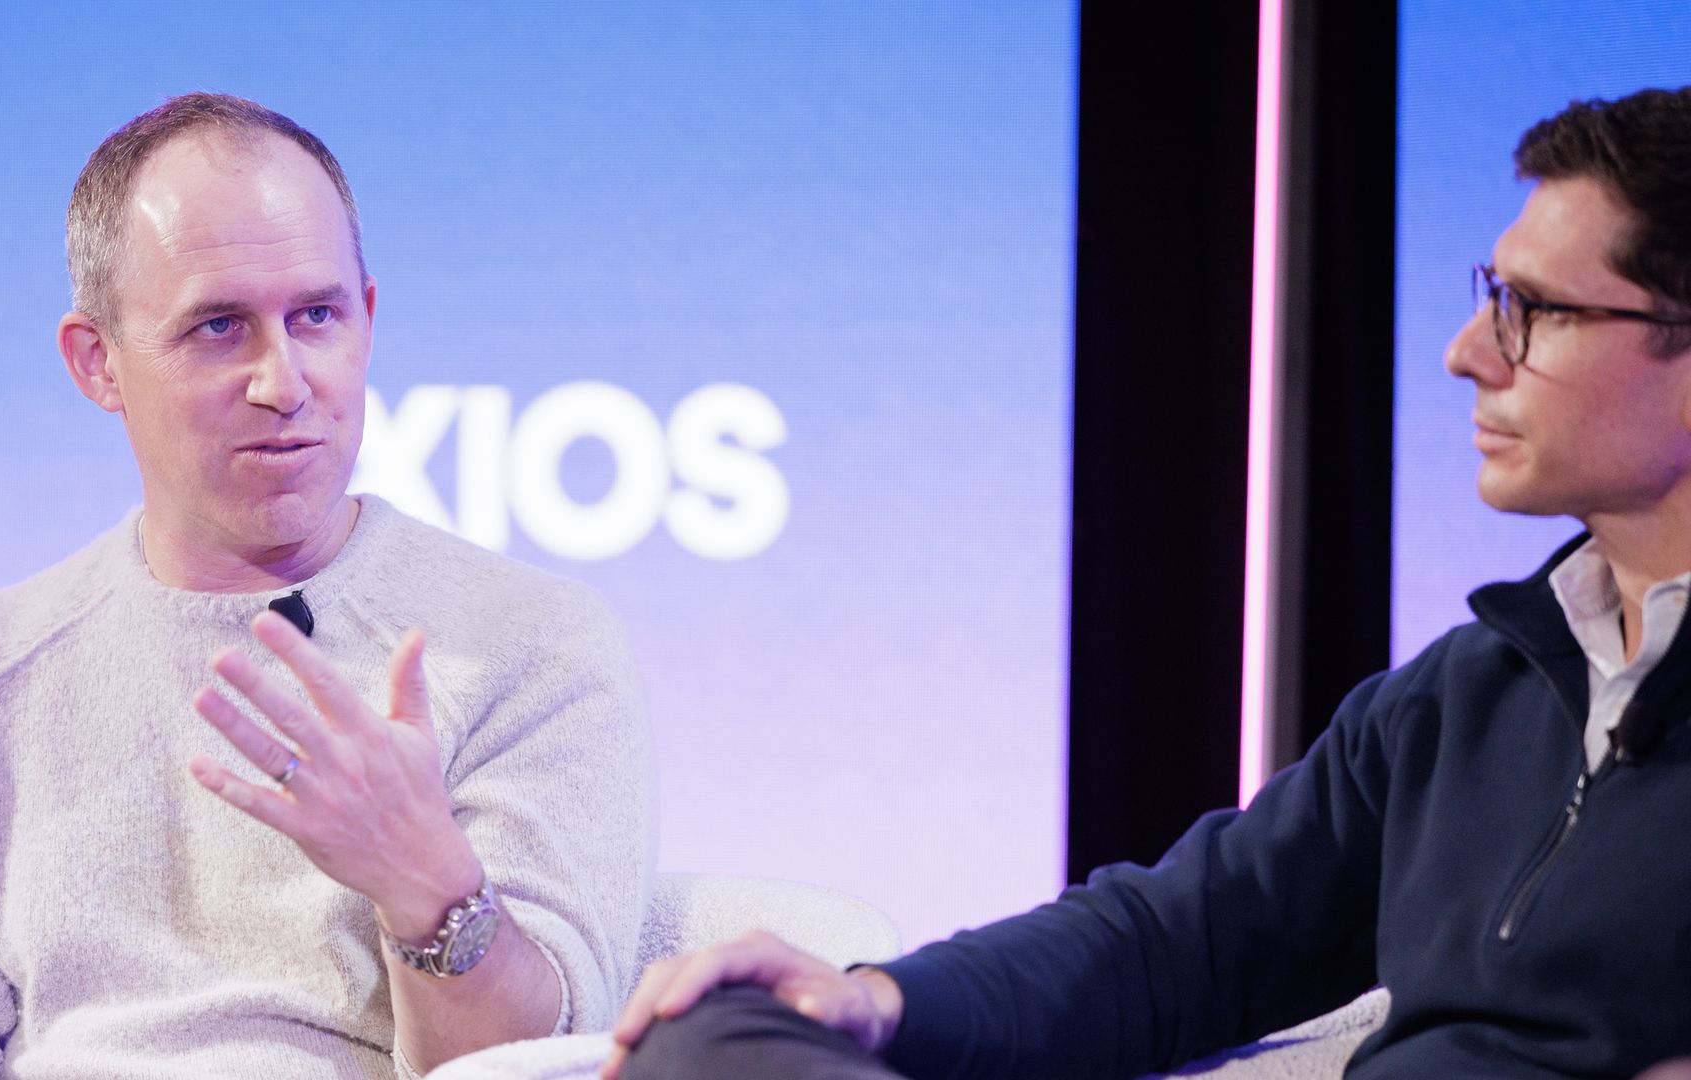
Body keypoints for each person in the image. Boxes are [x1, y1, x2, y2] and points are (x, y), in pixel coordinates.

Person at [605, 86, 1691, 1080]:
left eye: (1535, 311)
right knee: (716, 1037)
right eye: (1490, 296)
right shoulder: (1472, 693)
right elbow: (1181, 941)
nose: (1469, 352)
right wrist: (872, 1001)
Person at [0, 93, 654, 1080]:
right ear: (98, 362)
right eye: (220, 328)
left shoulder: (534, 646)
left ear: (369, 318)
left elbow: (539, 1073)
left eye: (317, 316)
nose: (285, 380)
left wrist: (426, 885)